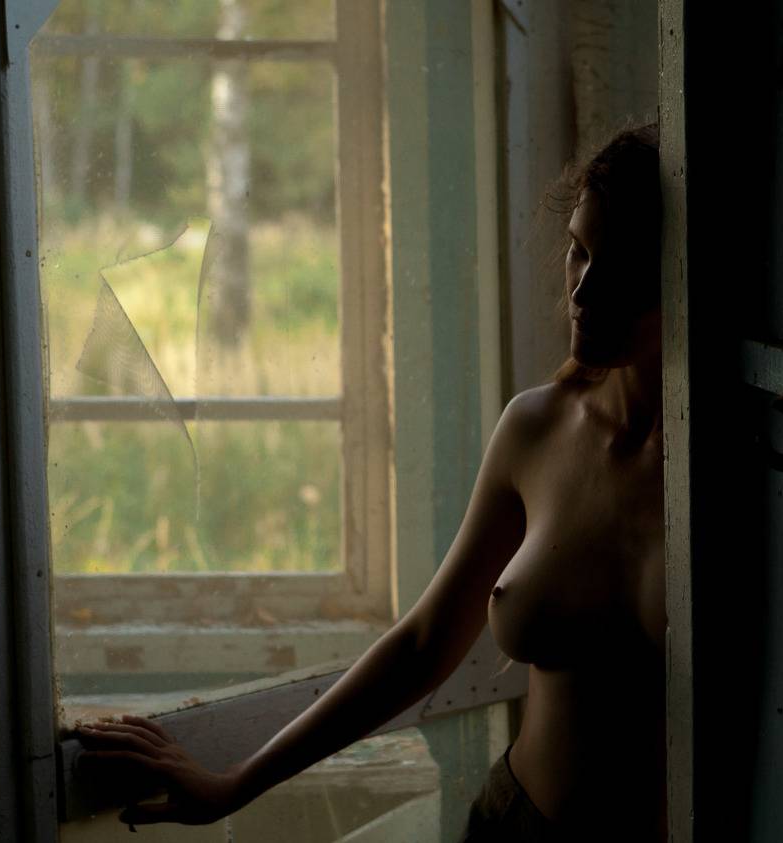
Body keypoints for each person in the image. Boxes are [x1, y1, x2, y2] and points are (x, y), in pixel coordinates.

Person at [78, 123, 666, 841]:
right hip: (513, 825)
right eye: (579, 249)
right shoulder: (537, 429)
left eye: (623, 266)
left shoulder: (739, 473)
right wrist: (236, 783)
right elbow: (423, 645)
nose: (584, 290)